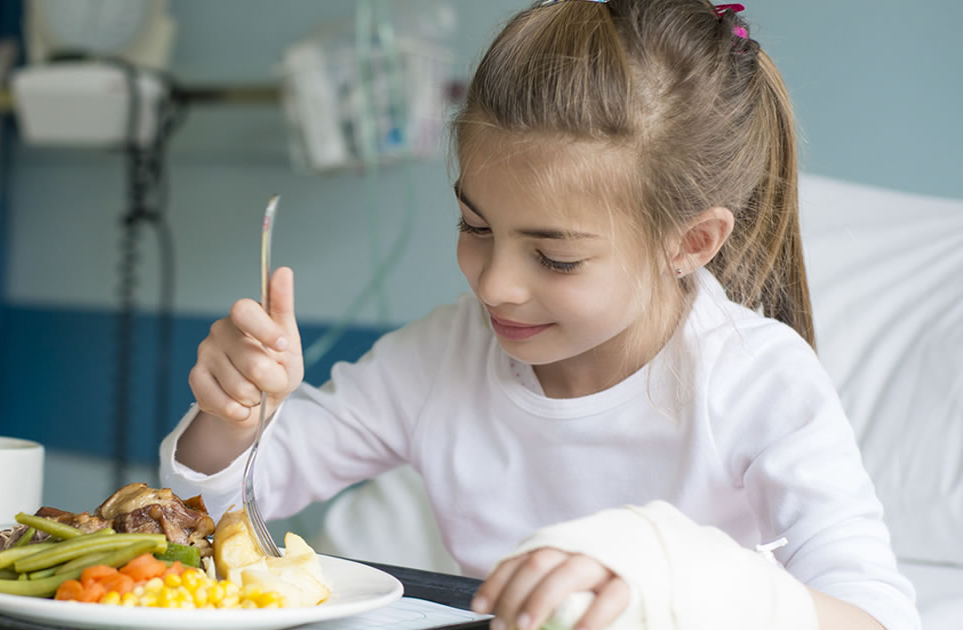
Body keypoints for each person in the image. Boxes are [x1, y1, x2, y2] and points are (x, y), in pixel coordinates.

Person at [159, 1, 919, 629]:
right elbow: (213, 519)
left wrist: (677, 571)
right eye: (475, 227)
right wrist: (234, 415)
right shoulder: (442, 359)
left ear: (690, 242)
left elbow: (875, 618)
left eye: (555, 259)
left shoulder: (756, 381)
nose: (494, 286)